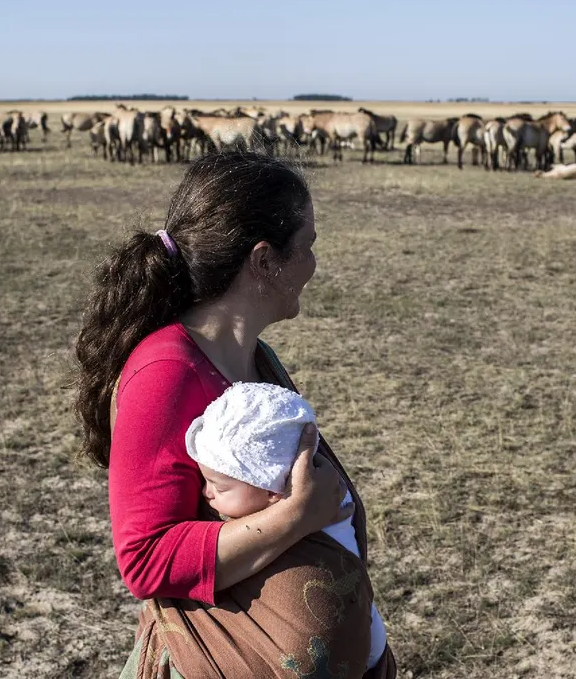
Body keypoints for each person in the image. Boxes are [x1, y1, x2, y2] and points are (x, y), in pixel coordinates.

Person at [74, 151, 396, 677]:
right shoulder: (165, 373)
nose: (314, 265)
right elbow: (145, 558)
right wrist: (295, 517)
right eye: (307, 246)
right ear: (264, 260)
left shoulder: (253, 357)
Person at [185, 381, 388, 673]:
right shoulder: (289, 496)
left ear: (272, 489)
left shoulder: (325, 516)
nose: (206, 493)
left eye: (220, 486)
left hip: (359, 645)